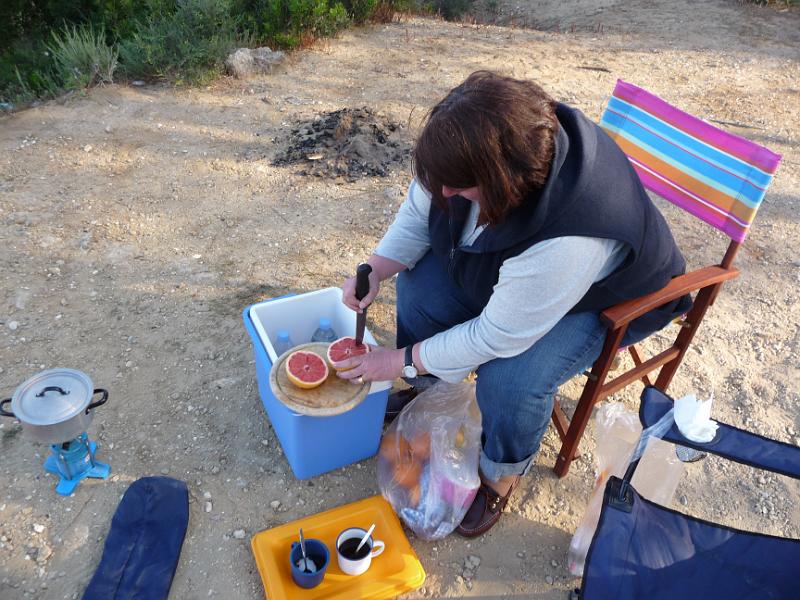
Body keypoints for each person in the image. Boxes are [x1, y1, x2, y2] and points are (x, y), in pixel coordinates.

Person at [332, 71, 691, 537]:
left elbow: (496, 336)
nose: (444, 194)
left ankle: (501, 475)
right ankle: (433, 394)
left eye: (457, 189)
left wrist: (398, 360)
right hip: (515, 272)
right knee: (420, 288)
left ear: (502, 184)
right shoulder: (471, 151)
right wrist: (377, 268)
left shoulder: (571, 239)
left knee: (510, 377)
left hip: (600, 297)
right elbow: (420, 212)